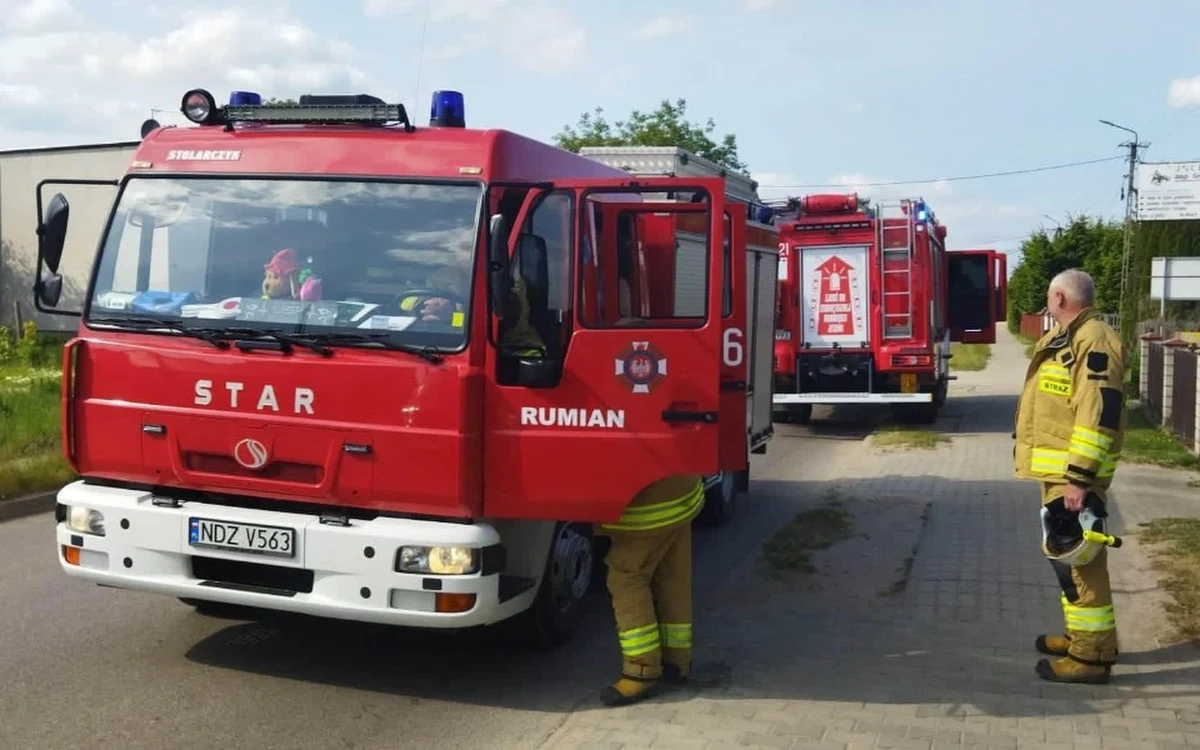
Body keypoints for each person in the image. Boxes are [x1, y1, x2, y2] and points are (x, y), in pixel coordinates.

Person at [1013, 268, 1127, 684]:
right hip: (1062, 473)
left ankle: (1091, 657)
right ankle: (1081, 636)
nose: (1048, 302)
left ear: (1059, 297)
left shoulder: (1093, 339)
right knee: (1067, 558)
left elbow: (1097, 414)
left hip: (1075, 476)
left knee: (1083, 564)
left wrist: (1079, 478)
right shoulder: (1071, 336)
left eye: (1049, 296)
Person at [595, 471, 705, 707]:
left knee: (626, 575)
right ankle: (676, 661)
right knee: (672, 576)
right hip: (681, 488)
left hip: (650, 500)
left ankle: (641, 669)